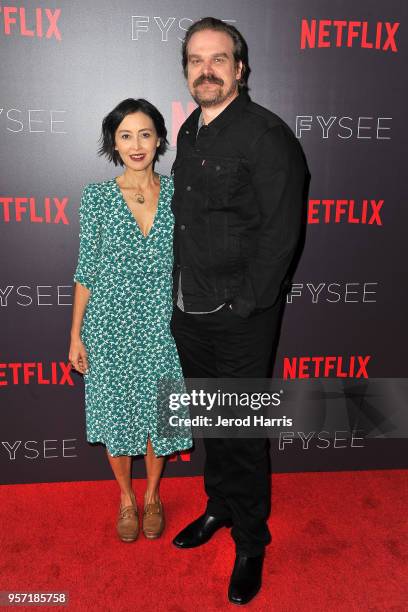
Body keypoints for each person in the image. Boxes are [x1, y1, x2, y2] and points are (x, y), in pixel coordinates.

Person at [170, 18, 308, 605]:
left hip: (241, 315)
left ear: (240, 68)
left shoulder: (267, 136)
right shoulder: (189, 134)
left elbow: (282, 236)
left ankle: (252, 540)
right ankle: (220, 508)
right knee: (209, 421)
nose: (207, 69)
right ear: (187, 71)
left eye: (218, 59)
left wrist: (245, 304)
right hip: (189, 308)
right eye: (196, 60)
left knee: (244, 431)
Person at [69, 98, 192, 544]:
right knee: (117, 418)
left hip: (162, 326)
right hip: (109, 327)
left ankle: (154, 495)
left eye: (144, 134)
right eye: (125, 135)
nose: (136, 144)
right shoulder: (97, 198)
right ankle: (126, 499)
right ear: (113, 144)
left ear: (159, 139)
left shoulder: (181, 192)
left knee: (159, 416)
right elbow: (86, 269)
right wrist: (75, 334)